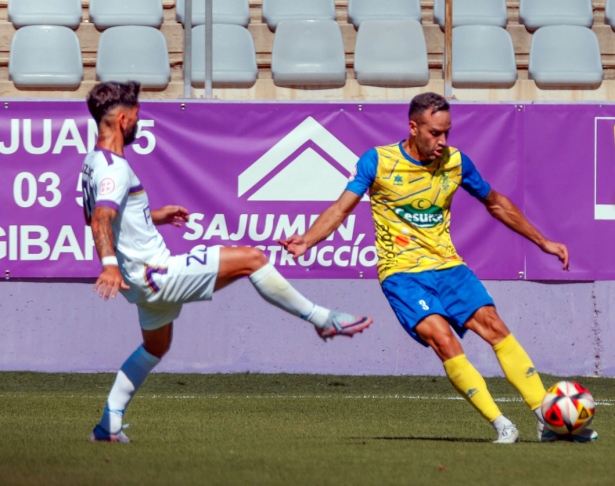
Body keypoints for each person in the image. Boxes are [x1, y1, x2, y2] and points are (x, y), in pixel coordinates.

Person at [280, 92, 597, 444]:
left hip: (449, 267)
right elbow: (341, 209)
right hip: (402, 275)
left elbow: (496, 203)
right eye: (434, 133)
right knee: (444, 340)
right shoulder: (378, 162)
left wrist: (543, 242)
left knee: (495, 327)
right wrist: (308, 240)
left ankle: (544, 417)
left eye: (447, 132)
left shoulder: (456, 162)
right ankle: (501, 423)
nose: (442, 142)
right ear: (413, 127)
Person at [82, 81, 373, 443]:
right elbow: (100, 219)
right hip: (156, 273)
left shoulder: (93, 163)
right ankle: (323, 319)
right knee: (253, 258)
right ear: (124, 119)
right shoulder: (115, 168)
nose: (140, 122)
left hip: (140, 283)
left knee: (156, 347)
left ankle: (108, 425)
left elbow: (108, 215)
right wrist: (108, 264)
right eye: (138, 115)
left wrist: (153, 216)